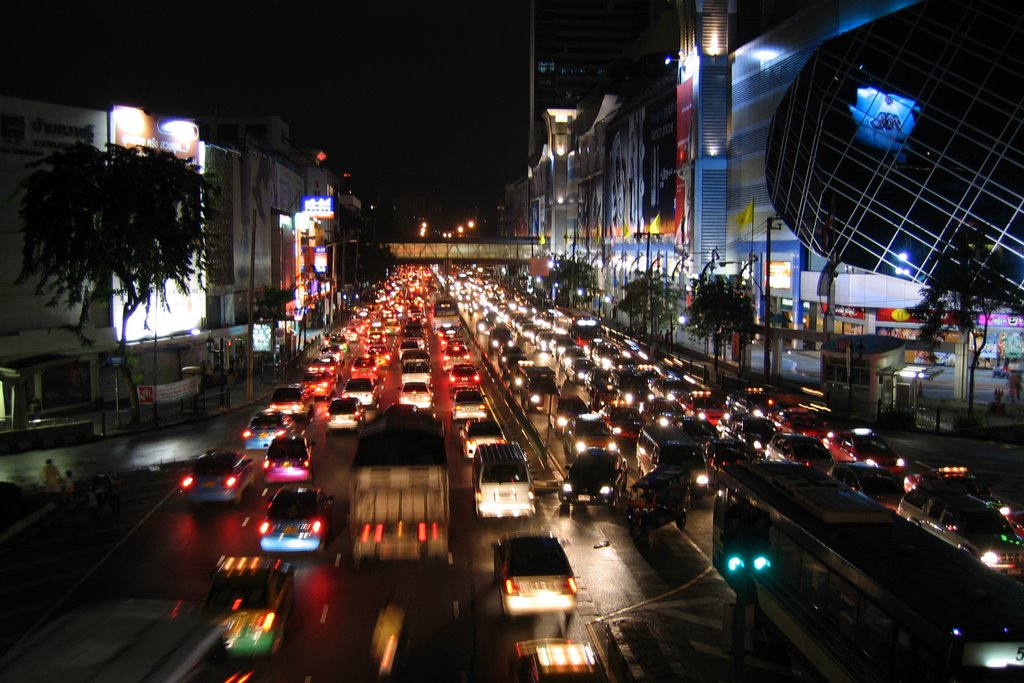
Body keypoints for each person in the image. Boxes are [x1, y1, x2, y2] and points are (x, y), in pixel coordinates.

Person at [371, 593, 405, 677]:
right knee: (385, 672)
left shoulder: (388, 613)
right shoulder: (397, 613)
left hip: (387, 645)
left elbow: (378, 629)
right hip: (388, 644)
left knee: (384, 673)